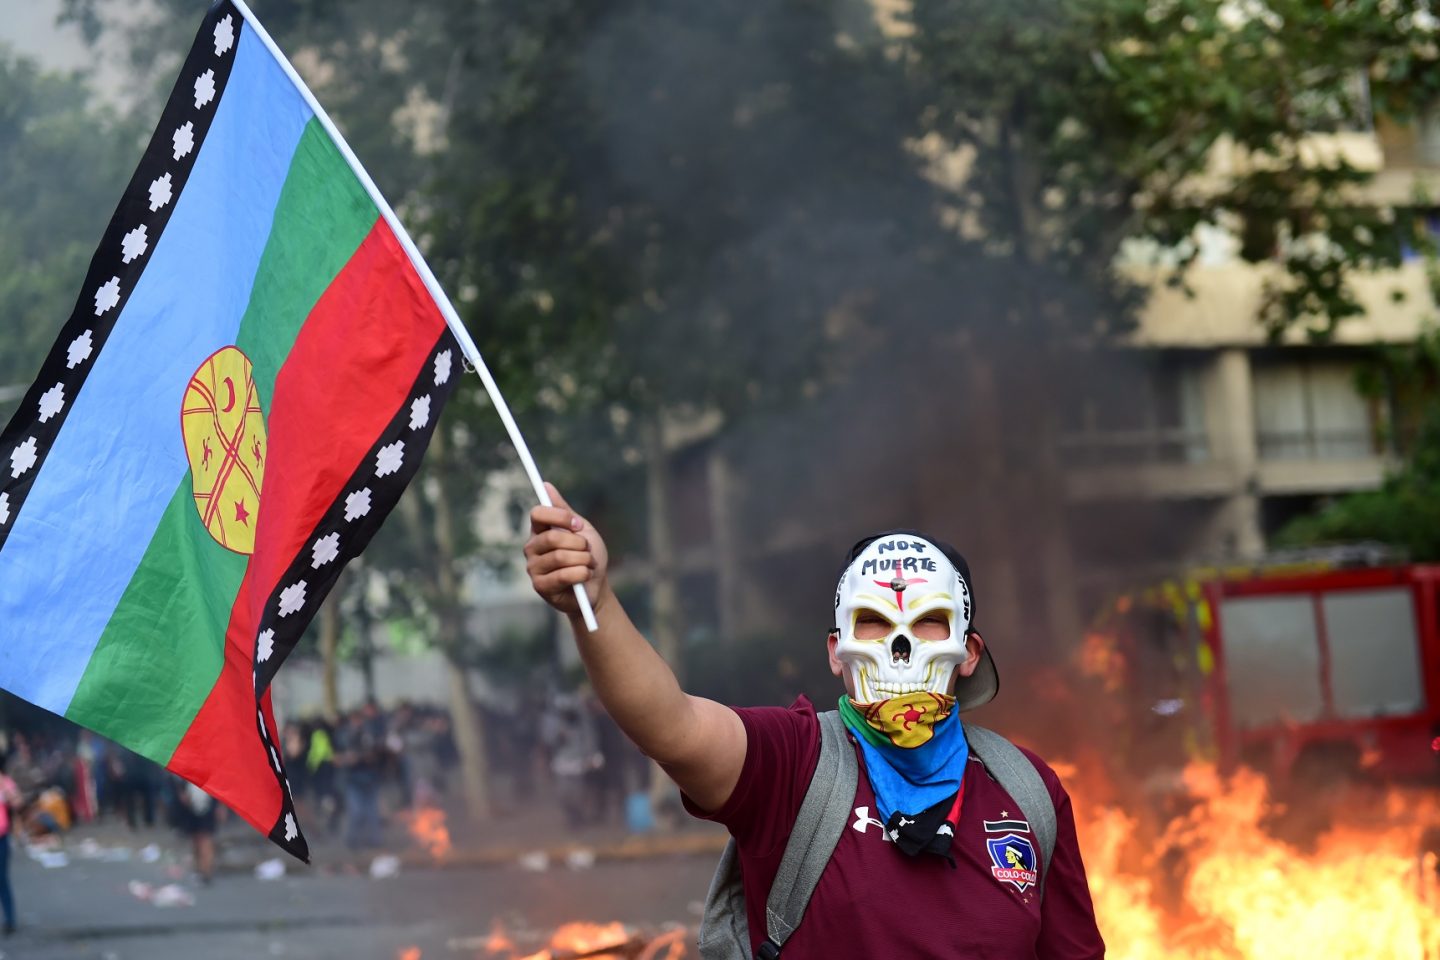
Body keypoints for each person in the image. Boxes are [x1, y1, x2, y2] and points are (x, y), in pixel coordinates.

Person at [525, 486, 1105, 958]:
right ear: (835, 651)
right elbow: (669, 724)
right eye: (873, 622)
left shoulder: (1027, 791)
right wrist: (595, 603)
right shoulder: (794, 763)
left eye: (928, 620)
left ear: (969, 651)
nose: (899, 644)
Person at [0, 756, 19, 934]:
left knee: (2, 879)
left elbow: (17, 801)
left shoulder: (5, 781)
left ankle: (10, 919)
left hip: (2, 836)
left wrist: (6, 792)